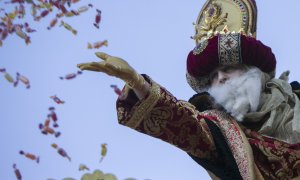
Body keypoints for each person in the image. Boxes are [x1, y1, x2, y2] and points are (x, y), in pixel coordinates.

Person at [77, 0, 300, 179]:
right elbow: (185, 126)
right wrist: (138, 82)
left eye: (229, 69)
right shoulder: (221, 131)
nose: (220, 78)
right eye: (213, 77)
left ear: (254, 72)